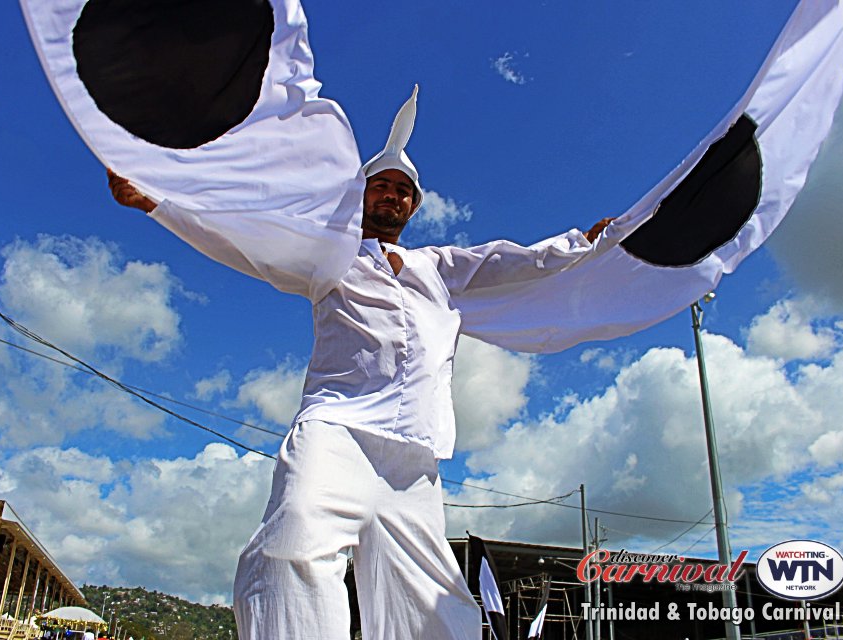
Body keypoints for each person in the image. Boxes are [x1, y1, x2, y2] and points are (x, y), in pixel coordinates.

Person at [107, 91, 611, 640]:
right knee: (292, 542)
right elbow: (245, 240)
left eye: (403, 191)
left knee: (429, 600)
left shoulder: (437, 266)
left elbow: (510, 260)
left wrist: (579, 245)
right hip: (337, 431)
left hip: (413, 456)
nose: (392, 196)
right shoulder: (329, 253)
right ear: (360, 194)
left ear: (413, 208)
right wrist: (158, 202)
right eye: (381, 186)